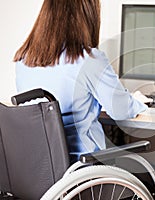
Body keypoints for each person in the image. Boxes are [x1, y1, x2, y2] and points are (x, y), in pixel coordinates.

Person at [13, 0, 147, 163]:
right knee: (154, 171)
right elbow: (121, 110)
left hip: (41, 171)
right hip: (83, 166)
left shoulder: (24, 60)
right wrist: (140, 102)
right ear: (88, 16)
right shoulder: (88, 59)